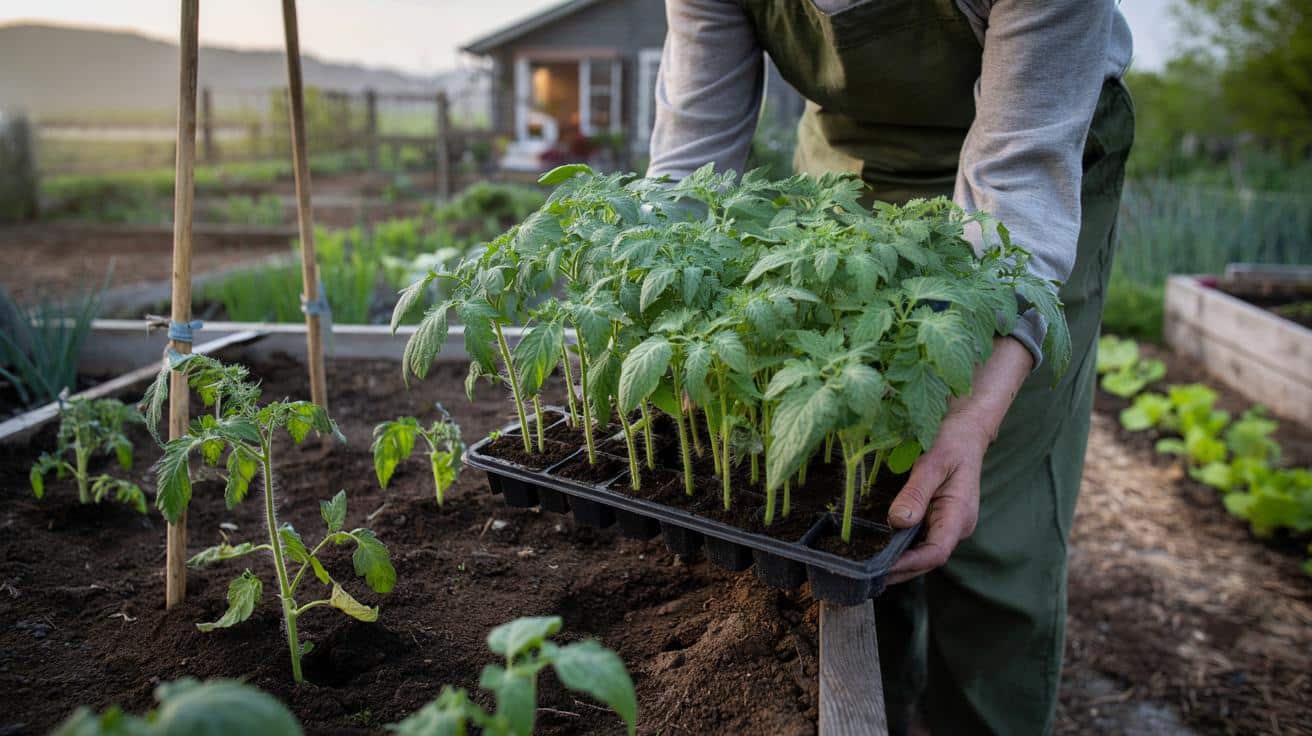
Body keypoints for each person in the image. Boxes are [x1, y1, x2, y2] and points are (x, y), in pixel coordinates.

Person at [646, 1, 1134, 734]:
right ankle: (884, 706)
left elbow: (1021, 196)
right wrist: (663, 335)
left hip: (1038, 180)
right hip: (853, 177)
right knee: (851, 476)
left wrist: (974, 412)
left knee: (988, 515)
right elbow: (689, 166)